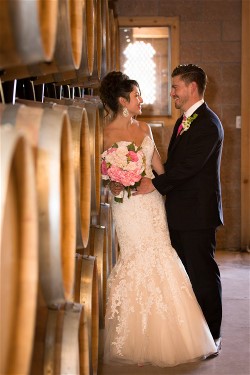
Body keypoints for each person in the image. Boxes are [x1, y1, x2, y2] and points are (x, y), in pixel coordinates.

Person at [99, 70, 217, 368]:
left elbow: (161, 169)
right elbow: (100, 171)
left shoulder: (147, 128)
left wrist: (155, 186)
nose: (142, 99)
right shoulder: (102, 133)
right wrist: (112, 182)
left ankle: (187, 335)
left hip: (151, 203)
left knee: (162, 257)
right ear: (123, 101)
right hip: (126, 207)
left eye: (176, 87)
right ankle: (136, 336)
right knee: (135, 259)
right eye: (137, 95)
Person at [136, 64, 224, 352]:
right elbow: (174, 164)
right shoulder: (183, 121)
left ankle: (213, 335)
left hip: (198, 214)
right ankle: (192, 334)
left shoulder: (209, 124)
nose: (171, 92)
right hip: (179, 212)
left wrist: (154, 185)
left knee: (203, 275)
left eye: (175, 87)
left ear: (192, 87)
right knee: (184, 276)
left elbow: (188, 167)